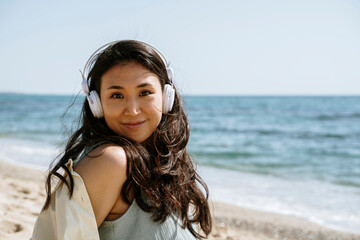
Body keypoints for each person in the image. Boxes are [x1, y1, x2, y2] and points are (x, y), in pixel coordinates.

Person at [31, 40, 212, 240]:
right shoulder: (111, 161)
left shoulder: (162, 163)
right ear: (96, 104)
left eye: (145, 93)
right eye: (117, 95)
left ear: (166, 96)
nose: (133, 110)